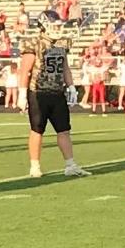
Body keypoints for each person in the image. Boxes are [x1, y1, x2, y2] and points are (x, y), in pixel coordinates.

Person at [17, 11, 90, 179]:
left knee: (64, 130)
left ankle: (70, 165)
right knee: (37, 130)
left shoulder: (61, 44)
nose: (58, 28)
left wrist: (71, 86)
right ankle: (34, 166)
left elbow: (65, 67)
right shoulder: (33, 44)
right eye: (54, 25)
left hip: (57, 93)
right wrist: (22, 93)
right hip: (38, 93)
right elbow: (25, 71)